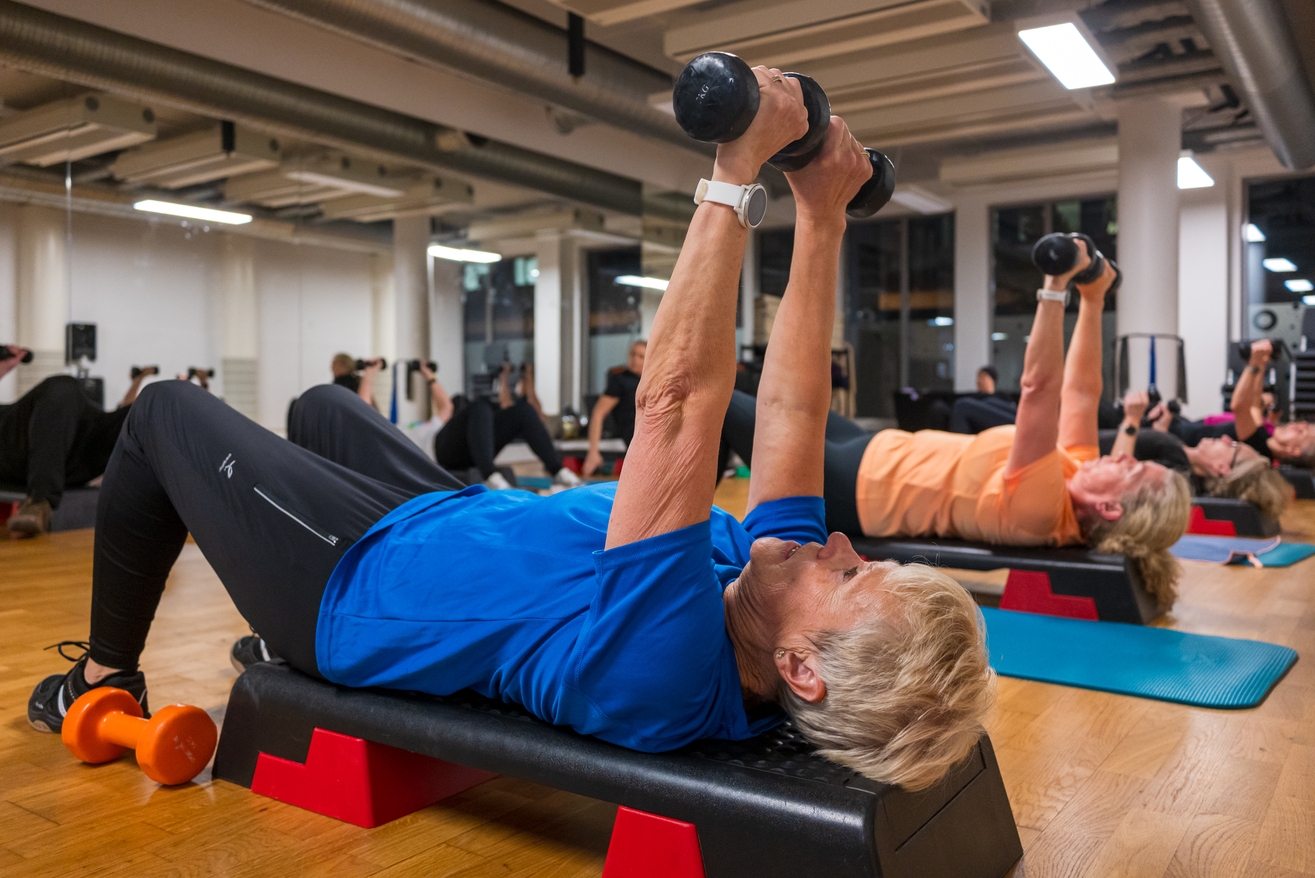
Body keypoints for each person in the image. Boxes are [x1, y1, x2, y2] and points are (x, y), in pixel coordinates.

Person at [28, 76, 993, 792]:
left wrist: (736, 168)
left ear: (800, 672)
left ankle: (102, 676)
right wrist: (819, 218)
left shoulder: (670, 668)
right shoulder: (764, 585)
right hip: (435, 520)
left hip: (354, 590)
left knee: (160, 417)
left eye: (853, 577)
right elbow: (788, 412)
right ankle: (263, 580)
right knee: (324, 407)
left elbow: (672, 408)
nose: (839, 543)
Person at [723, 241, 1192, 612]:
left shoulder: (1044, 511)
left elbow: (1039, 390)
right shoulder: (1078, 472)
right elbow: (1082, 393)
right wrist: (1092, 300)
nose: (1127, 455)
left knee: (722, 401)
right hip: (876, 449)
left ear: (1109, 508)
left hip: (854, 489)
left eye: (1134, 470)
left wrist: (1055, 286)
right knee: (746, 400)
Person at [0, 348, 154, 537]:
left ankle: (188, 495)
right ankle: (40, 502)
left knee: (152, 405)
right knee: (63, 385)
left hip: (74, 449)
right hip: (17, 447)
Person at [1102, 390, 1292, 520]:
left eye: (1233, 445)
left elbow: (1115, 478)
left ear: (1222, 468)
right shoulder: (1183, 458)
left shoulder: (1177, 474)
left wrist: (1131, 419)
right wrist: (1159, 430)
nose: (1226, 438)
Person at [1150, 339, 1315, 468]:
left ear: (1293, 451)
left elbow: (1239, 406)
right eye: (1304, 425)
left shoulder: (1258, 450)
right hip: (1183, 426)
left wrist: (1253, 363)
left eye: (1302, 432)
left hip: (1174, 436)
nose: (1298, 425)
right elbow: (1254, 406)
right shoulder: (1264, 439)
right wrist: (1263, 363)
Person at [433, 361, 583, 491]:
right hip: (443, 452)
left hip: (477, 450)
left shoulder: (453, 417)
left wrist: (506, 375)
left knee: (523, 410)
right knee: (479, 406)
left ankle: (558, 472)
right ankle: (490, 477)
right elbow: (447, 404)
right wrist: (428, 375)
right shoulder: (420, 430)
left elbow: (504, 404)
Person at [583, 340, 646, 477]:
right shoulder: (620, 380)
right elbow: (598, 413)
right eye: (633, 354)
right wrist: (593, 452)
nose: (635, 359)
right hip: (634, 434)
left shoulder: (653, 381)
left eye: (641, 356)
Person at [946, 366, 1018, 434]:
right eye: (978, 378)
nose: (978, 381)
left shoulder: (1002, 395)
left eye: (982, 377)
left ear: (992, 380)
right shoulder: (973, 397)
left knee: (989, 401)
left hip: (1013, 421)